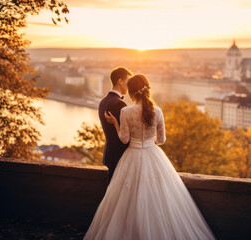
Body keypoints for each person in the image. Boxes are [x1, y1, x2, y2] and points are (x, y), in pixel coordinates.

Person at [84, 74, 216, 240]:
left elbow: (124, 139)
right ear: (147, 90)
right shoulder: (158, 112)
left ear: (131, 92)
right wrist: (147, 140)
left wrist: (115, 124)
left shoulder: (126, 111)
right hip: (153, 155)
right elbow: (161, 140)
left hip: (131, 155)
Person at [98, 67, 132, 183]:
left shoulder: (102, 102)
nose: (129, 86)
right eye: (128, 82)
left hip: (109, 156)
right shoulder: (120, 104)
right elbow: (126, 137)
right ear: (120, 81)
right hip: (121, 157)